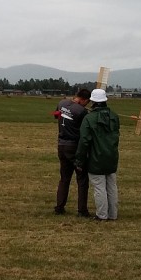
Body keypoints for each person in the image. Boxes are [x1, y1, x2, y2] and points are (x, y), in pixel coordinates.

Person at [75, 89, 120, 221]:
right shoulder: (114, 116)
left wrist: (79, 160)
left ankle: (102, 215)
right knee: (111, 186)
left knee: (99, 187)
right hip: (112, 156)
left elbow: (84, 141)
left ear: (93, 102)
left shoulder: (89, 118)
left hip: (96, 159)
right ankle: (113, 214)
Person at [54, 87, 91, 217]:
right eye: (87, 102)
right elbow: (86, 129)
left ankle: (59, 207)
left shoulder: (62, 103)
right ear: (84, 100)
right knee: (82, 179)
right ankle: (82, 210)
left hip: (61, 145)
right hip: (74, 147)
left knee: (64, 178)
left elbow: (56, 115)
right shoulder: (82, 111)